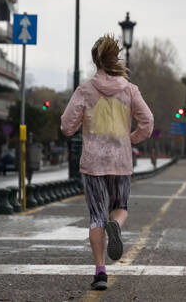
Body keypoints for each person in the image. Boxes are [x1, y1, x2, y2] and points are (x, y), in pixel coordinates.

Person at [61, 35, 154, 291]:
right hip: (121, 161)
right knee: (121, 207)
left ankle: (100, 272)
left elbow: (67, 126)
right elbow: (148, 121)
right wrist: (130, 139)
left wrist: (81, 124)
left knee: (95, 218)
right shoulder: (129, 89)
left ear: (94, 60)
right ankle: (117, 224)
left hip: (93, 163)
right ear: (115, 59)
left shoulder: (85, 90)